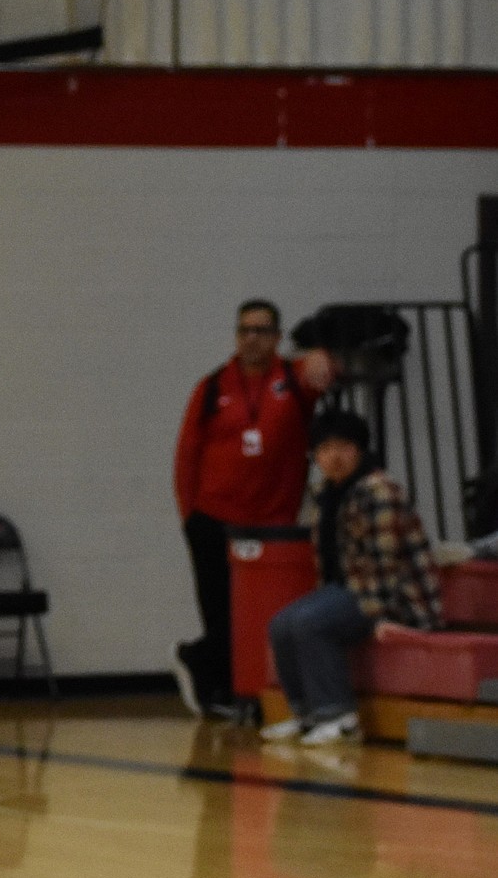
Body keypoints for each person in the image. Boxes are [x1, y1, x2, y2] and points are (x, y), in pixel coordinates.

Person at [172, 299, 333, 716]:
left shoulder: (292, 380)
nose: (251, 339)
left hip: (271, 522)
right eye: (244, 330)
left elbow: (327, 373)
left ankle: (215, 668)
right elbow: (188, 454)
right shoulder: (212, 387)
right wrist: (190, 515)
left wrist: (318, 354)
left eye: (261, 331)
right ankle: (219, 689)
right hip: (213, 518)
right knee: (219, 611)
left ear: (277, 337)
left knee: (260, 614)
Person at [261, 409, 443, 746]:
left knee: (309, 622)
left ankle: (339, 717)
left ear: (359, 450)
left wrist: (383, 617)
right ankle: (306, 715)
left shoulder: (379, 491)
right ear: (315, 456)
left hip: (395, 598)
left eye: (343, 447)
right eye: (325, 449)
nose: (334, 457)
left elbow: (387, 565)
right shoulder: (324, 494)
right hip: (350, 591)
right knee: (281, 625)